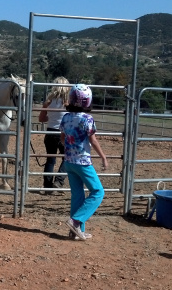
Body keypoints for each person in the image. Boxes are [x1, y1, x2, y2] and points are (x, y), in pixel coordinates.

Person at [60, 84, 108, 241]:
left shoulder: (66, 117)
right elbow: (93, 140)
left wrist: (69, 149)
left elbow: (62, 138)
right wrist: (103, 157)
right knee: (98, 192)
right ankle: (75, 221)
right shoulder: (87, 119)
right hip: (83, 162)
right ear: (88, 101)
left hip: (69, 161)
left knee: (77, 195)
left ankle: (75, 232)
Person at [38, 77, 69, 193]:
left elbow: (41, 118)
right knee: (67, 157)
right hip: (64, 133)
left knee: (50, 159)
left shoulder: (48, 101)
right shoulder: (68, 102)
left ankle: (47, 185)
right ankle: (59, 181)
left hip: (50, 132)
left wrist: (51, 118)